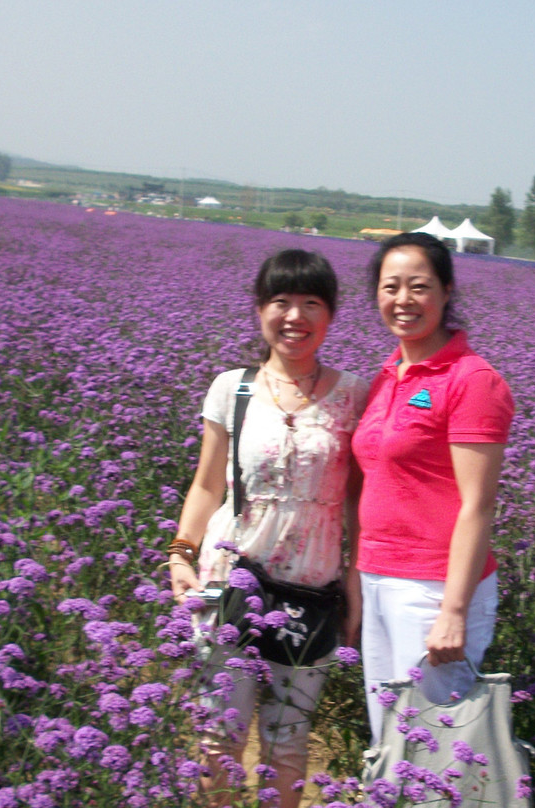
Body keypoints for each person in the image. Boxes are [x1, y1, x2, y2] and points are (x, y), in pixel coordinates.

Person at [168, 249, 368, 808]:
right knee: (217, 739)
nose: (294, 316)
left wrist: (355, 581)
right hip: (230, 580)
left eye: (311, 303)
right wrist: (180, 553)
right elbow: (208, 485)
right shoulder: (232, 389)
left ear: (330, 316)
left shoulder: (355, 395)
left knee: (287, 745)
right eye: (280, 301)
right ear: (259, 310)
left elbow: (358, 500)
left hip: (313, 588)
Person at [351, 232, 515, 745]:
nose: (403, 300)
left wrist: (454, 612)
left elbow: (478, 505)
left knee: (434, 742)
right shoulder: (385, 375)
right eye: (390, 287)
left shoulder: (472, 380)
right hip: (378, 576)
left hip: (431, 587)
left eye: (418, 287)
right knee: (388, 734)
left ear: (446, 291)